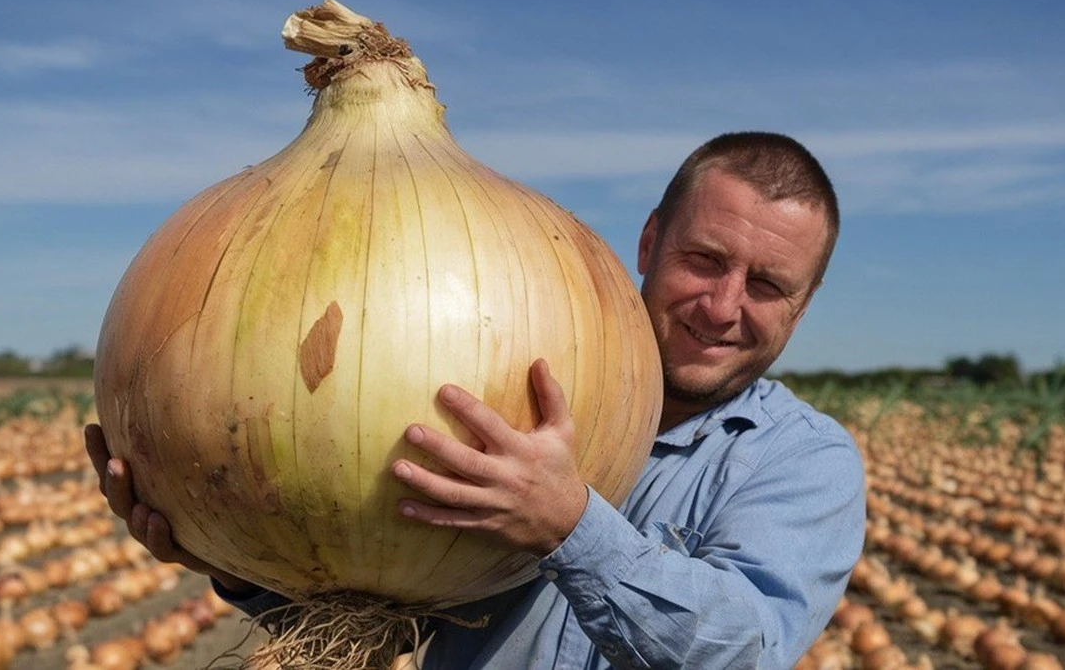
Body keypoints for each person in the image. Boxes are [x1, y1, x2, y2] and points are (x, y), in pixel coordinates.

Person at [86, 131, 866, 669]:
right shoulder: (509, 386)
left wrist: (571, 526)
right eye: (704, 259)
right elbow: (392, 613)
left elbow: (747, 650)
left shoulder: (803, 460)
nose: (723, 305)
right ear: (650, 242)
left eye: (767, 284)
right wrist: (233, 554)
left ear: (806, 300)